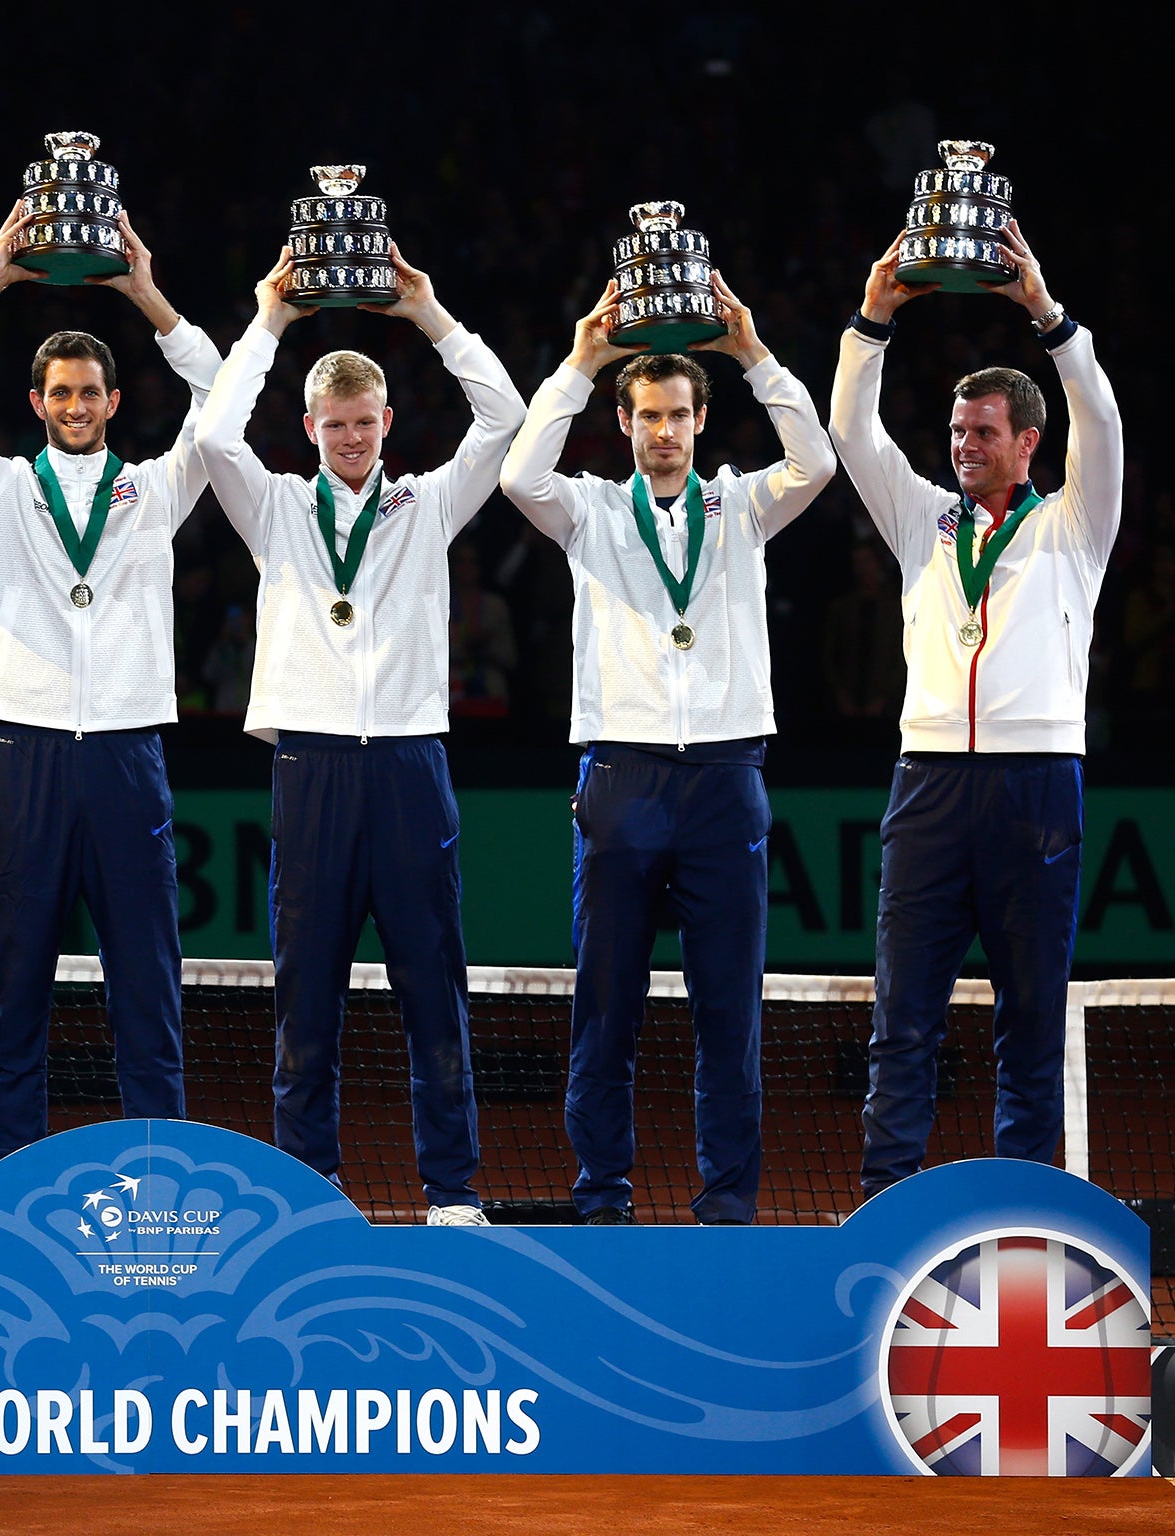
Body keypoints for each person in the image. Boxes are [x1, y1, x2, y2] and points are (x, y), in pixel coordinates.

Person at [197, 244, 525, 1224]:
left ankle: (452, 1192)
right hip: (310, 767)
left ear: (388, 423)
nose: (348, 436)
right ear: (309, 427)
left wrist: (428, 314)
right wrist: (267, 320)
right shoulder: (275, 509)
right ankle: (307, 1185)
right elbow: (215, 438)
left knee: (434, 988)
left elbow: (504, 420)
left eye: (363, 422)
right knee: (307, 997)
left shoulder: (426, 506)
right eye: (333, 424)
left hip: (410, 767)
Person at [500, 273, 836, 1225]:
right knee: (606, 1011)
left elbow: (816, 462)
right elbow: (517, 475)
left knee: (729, 1015)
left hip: (728, 776)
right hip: (623, 775)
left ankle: (727, 1203)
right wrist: (577, 361)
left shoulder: (744, 507)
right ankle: (601, 1196)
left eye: (681, 414)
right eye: (648, 415)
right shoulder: (591, 512)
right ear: (624, 420)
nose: (665, 432)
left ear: (700, 419)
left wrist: (756, 353)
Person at [0, 204, 222, 1165]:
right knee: (15, 976)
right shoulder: (0, 486)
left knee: (147, 978)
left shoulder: (159, 489)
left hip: (129, 752)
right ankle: (8, 1172)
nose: (77, 405)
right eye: (61, 393)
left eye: (91, 391)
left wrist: (144, 292)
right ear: (38, 402)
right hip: (29, 751)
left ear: (115, 401)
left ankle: (161, 1164)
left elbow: (225, 399)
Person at [828, 223, 1122, 1198]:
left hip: (1035, 782)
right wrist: (871, 318)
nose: (961, 447)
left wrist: (1045, 314)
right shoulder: (922, 522)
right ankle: (885, 1192)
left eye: (981, 432)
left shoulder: (1073, 527)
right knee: (900, 1010)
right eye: (955, 433)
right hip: (924, 784)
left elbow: (1104, 423)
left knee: (1028, 1011)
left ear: (1025, 441)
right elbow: (849, 435)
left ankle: (1021, 1194)